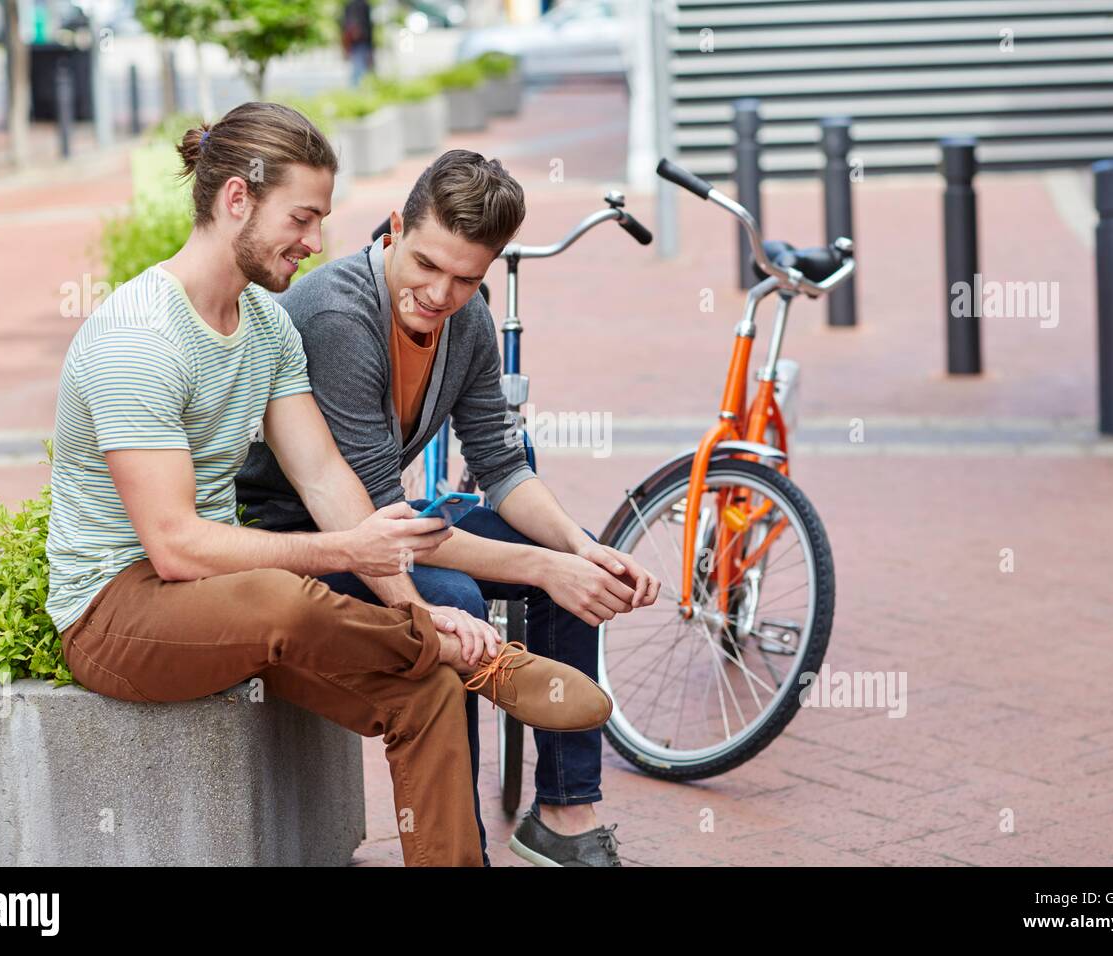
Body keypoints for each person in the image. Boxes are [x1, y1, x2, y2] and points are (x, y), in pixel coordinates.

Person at [45, 104, 612, 868]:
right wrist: (360, 557)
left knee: (431, 691)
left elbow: (325, 478)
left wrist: (420, 610)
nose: (315, 242)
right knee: (281, 591)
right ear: (237, 201)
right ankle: (471, 657)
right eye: (303, 218)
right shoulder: (139, 337)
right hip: (116, 615)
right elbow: (174, 548)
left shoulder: (268, 328)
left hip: (229, 607)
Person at [235, 148, 662, 866]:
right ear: (396, 227)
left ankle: (563, 812)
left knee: (567, 556)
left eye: (466, 278)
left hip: (385, 522)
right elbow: (377, 520)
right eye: (428, 265)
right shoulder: (339, 316)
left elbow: (500, 464)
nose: (440, 293)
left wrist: (576, 551)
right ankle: (458, 847)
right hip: (303, 537)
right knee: (453, 596)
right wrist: (544, 566)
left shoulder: (467, 320)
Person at [341, 0, 374, 88]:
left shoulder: (351, 5)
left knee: (360, 70)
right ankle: (357, 92)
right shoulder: (360, 5)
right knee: (359, 71)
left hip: (360, 42)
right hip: (358, 42)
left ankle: (358, 91)